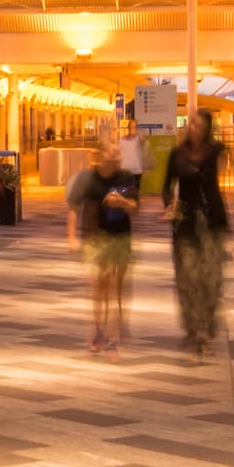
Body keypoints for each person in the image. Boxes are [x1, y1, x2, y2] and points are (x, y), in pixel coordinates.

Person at [66, 134, 140, 357]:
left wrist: (123, 202)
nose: (116, 156)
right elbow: (74, 207)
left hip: (120, 237)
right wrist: (71, 236)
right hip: (95, 238)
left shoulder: (126, 177)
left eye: (118, 152)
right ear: (100, 156)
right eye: (111, 152)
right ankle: (100, 330)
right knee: (99, 284)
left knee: (118, 286)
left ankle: (117, 334)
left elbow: (135, 208)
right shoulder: (87, 179)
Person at [166, 104, 230, 351]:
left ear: (207, 130)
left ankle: (208, 322)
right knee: (188, 277)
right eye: (192, 123)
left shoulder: (216, 151)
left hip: (213, 219)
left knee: (212, 278)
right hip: (186, 222)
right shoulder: (177, 154)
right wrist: (168, 206)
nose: (194, 129)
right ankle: (195, 329)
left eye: (200, 126)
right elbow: (166, 185)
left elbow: (221, 166)